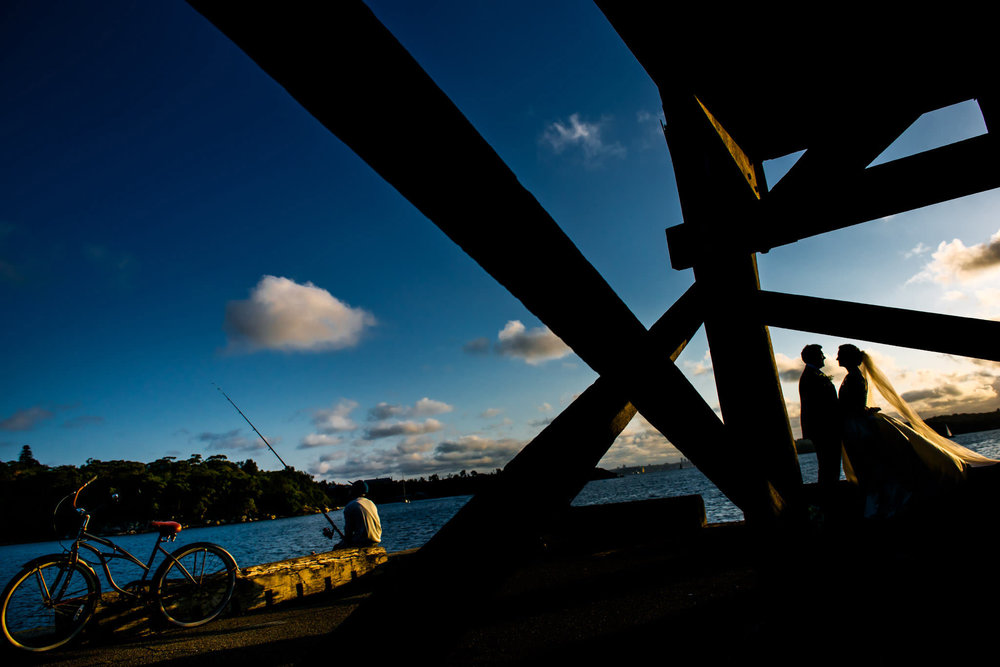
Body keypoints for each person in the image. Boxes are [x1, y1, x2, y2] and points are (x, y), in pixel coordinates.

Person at [836, 343, 998, 518]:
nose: (837, 359)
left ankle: (886, 503)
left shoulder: (855, 378)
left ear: (848, 358)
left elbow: (856, 406)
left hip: (859, 427)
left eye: (840, 355)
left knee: (873, 465)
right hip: (857, 424)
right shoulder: (852, 377)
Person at [798, 344, 842, 493]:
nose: (824, 357)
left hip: (824, 429)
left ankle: (829, 494)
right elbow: (822, 405)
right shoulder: (811, 376)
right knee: (829, 465)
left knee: (829, 465)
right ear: (814, 356)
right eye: (821, 354)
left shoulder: (813, 374)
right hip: (824, 430)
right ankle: (829, 496)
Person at [337, 480, 382, 548]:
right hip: (376, 540)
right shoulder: (371, 503)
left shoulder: (350, 505)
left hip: (362, 543)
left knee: (336, 548)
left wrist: (345, 541)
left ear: (355, 490)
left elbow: (348, 532)